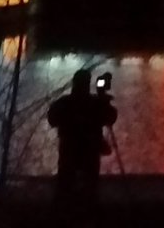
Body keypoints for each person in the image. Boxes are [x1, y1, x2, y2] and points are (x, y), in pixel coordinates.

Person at [46, 69, 118, 207]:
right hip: (86, 153)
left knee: (67, 188)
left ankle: (65, 213)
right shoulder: (94, 104)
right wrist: (102, 99)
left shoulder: (64, 103)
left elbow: (52, 119)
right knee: (86, 188)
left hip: (71, 152)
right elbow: (110, 118)